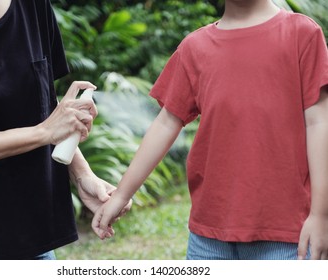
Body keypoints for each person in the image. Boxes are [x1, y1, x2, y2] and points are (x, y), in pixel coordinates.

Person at [92, 0, 328, 260]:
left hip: (286, 235)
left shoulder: (302, 34)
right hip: (209, 237)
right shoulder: (195, 46)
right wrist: (122, 194)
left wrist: (321, 215)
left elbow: (319, 123)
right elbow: (166, 122)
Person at [0, 0, 127, 260]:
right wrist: (43, 132)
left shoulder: (32, 5)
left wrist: (83, 176)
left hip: (33, 237)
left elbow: (45, 101)